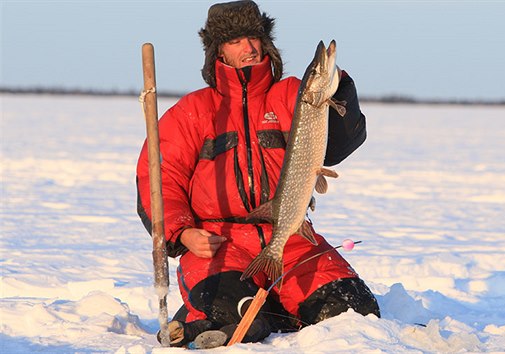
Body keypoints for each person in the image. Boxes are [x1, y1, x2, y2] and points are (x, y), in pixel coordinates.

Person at [136, 0, 379, 348]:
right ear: (218, 50)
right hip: (219, 243)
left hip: (290, 234)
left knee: (355, 314)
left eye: (253, 37)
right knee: (231, 313)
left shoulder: (292, 95)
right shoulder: (191, 112)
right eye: (235, 41)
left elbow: (340, 145)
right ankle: (231, 312)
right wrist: (183, 233)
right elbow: (158, 179)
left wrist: (340, 90)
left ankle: (274, 304)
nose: (248, 48)